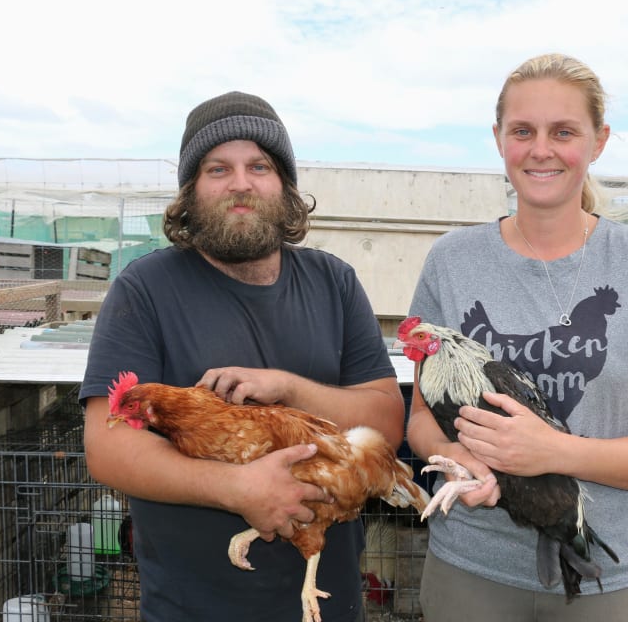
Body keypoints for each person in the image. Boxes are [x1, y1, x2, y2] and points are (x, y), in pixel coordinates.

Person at [80, 91, 405, 622]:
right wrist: (240, 489)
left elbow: (386, 422)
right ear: (190, 191)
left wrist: (291, 387)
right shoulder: (145, 289)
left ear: (284, 185)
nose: (240, 183)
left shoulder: (334, 282)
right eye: (217, 168)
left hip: (324, 600)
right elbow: (108, 447)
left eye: (259, 165)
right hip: (194, 606)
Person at [405, 53, 628, 621]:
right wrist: (461, 457)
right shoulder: (451, 260)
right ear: (499, 140)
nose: (541, 149)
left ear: (598, 142)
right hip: (471, 566)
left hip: (601, 571)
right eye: (523, 131)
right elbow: (421, 418)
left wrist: (551, 450)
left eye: (563, 131)